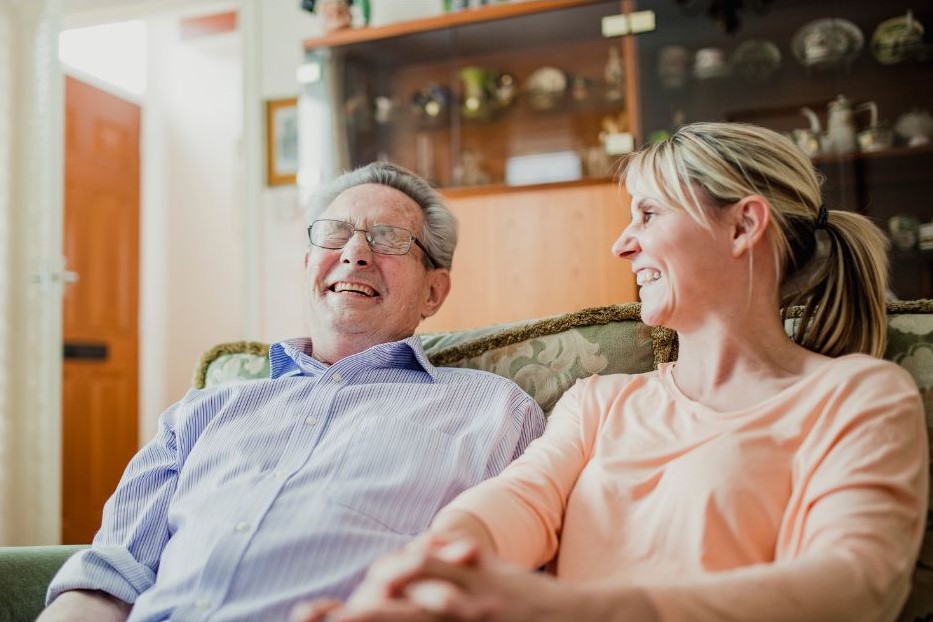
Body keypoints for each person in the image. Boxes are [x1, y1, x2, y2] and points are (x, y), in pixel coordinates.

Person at [295, 122, 928, 622]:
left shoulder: (858, 396)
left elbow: (854, 586)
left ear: (744, 225)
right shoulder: (600, 400)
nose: (621, 244)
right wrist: (425, 574)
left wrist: (567, 610)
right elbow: (518, 502)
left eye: (648, 215)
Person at [39, 162, 545, 622]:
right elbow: (108, 578)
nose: (354, 253)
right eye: (336, 234)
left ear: (433, 291)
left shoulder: (494, 412)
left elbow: (514, 590)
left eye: (388, 238)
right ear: (308, 265)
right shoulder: (201, 412)